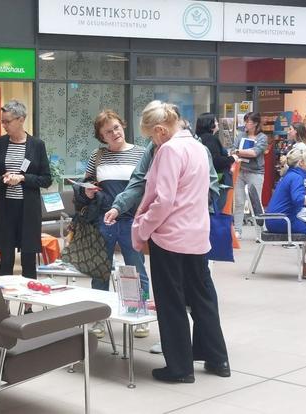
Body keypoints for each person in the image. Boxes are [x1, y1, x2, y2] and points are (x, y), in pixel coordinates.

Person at [131, 100, 229, 383]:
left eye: (151, 135)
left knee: (171, 301)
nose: (153, 141)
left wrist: (143, 228)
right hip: (198, 235)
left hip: (170, 237)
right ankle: (217, 358)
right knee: (203, 297)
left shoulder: (169, 150)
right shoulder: (199, 147)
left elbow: (163, 201)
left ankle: (180, 367)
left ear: (161, 129)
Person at [82, 110, 149, 339]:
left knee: (135, 269)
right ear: (102, 136)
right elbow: (87, 182)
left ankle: (138, 316)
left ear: (123, 126)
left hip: (131, 220)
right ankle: (99, 318)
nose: (114, 133)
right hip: (103, 220)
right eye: (108, 132)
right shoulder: (97, 156)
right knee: (99, 270)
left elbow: (148, 187)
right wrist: (88, 191)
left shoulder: (142, 153)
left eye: (116, 128)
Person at [0, 100, 51, 287]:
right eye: (2, 121)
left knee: (29, 259)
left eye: (7, 121)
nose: (4, 125)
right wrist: (3, 179)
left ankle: (29, 306)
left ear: (21, 120)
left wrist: (22, 178)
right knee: (6, 260)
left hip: (28, 209)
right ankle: (3, 305)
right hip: (5, 209)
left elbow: (46, 179)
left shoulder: (37, 145)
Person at [265, 148, 306, 279]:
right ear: (301, 163)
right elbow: (298, 200)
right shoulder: (297, 177)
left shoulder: (289, 175)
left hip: (275, 219)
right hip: (283, 221)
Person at [231, 112, 268, 240]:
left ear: (256, 123)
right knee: (239, 202)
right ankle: (237, 231)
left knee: (256, 203)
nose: (246, 124)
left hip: (255, 173)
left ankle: (260, 232)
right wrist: (237, 152)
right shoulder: (241, 135)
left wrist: (238, 152)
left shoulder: (262, 137)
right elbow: (232, 149)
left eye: (248, 121)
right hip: (240, 171)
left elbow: (254, 153)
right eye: (245, 121)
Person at [196, 113, 238, 210]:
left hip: (204, 180)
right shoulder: (211, 139)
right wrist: (232, 158)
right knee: (217, 208)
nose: (218, 123)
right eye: (215, 121)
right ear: (210, 124)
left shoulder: (199, 138)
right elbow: (216, 160)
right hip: (218, 180)